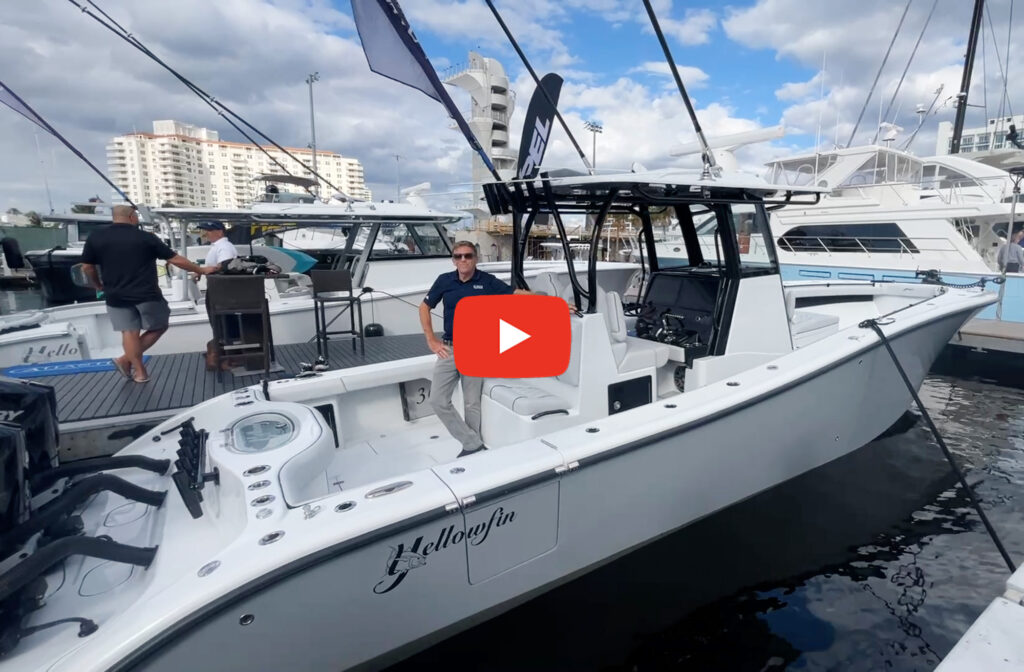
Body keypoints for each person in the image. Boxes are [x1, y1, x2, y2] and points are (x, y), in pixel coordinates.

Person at [81, 205, 208, 383]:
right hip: (146, 294)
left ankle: (140, 373)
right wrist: (200, 269)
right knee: (159, 327)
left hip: (115, 295)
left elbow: (87, 267)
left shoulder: (96, 237)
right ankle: (124, 360)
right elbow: (175, 259)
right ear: (132, 216)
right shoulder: (146, 237)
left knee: (129, 331)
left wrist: (98, 285)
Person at [419, 241, 522, 458]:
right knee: (437, 400)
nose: (463, 260)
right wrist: (431, 340)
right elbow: (424, 307)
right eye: (458, 256)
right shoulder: (444, 280)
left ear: (475, 258)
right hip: (449, 349)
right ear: (453, 260)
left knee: (471, 403)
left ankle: (471, 450)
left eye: (468, 256)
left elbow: (517, 295)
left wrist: (555, 303)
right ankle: (473, 442)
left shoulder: (487, 281)